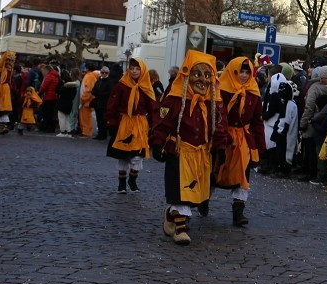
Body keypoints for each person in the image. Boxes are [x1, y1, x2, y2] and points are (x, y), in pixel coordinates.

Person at [151, 50, 229, 245]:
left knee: (193, 194)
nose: (202, 80)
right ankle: (181, 229)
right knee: (180, 192)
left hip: (200, 152)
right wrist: (158, 142)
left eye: (206, 75)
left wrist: (220, 147)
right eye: (197, 74)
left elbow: (219, 125)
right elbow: (164, 119)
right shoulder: (176, 95)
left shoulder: (214, 101)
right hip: (179, 150)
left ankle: (171, 214)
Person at [215, 56, 265, 226]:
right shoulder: (222, 89)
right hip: (224, 136)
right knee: (217, 170)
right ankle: (204, 200)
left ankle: (238, 212)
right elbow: (216, 115)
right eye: (240, 71)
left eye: (247, 72)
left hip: (244, 138)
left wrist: (260, 144)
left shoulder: (254, 92)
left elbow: (258, 119)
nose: (243, 75)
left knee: (243, 174)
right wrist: (222, 135)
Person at [105, 58, 158, 193]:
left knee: (137, 155)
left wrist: (154, 124)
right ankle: (122, 183)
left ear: (142, 71)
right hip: (124, 123)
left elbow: (152, 107)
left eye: (137, 69)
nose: (134, 71)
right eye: (132, 68)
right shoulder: (121, 85)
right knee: (123, 155)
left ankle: (133, 180)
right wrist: (111, 122)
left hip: (140, 124)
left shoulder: (146, 87)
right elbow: (113, 104)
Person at [91, 65, 114, 140]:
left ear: (108, 73)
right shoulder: (99, 80)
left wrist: (99, 94)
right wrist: (96, 93)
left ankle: (103, 135)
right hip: (98, 103)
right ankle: (99, 134)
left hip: (104, 103)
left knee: (103, 120)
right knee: (98, 119)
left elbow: (109, 93)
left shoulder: (109, 82)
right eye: (102, 72)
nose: (104, 74)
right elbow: (93, 90)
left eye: (106, 73)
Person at [78, 64, 100, 137]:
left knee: (86, 118)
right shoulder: (91, 76)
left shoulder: (90, 76)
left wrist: (83, 99)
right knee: (85, 118)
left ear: (87, 69)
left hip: (86, 101)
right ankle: (86, 131)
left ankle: (86, 132)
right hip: (87, 100)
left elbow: (89, 90)